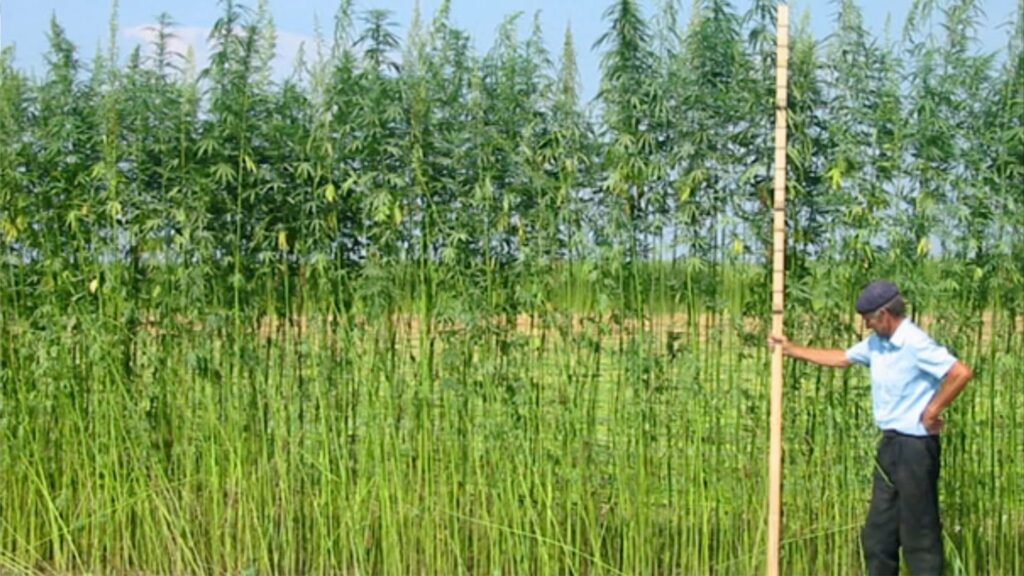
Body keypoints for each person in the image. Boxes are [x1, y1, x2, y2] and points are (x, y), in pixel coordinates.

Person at [769, 280, 973, 576]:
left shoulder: (914, 342)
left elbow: (960, 372)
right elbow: (842, 358)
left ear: (885, 314)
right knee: (878, 534)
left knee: (919, 532)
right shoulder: (878, 343)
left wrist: (932, 410)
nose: (866, 327)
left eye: (869, 320)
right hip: (889, 445)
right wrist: (791, 350)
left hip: (916, 449)